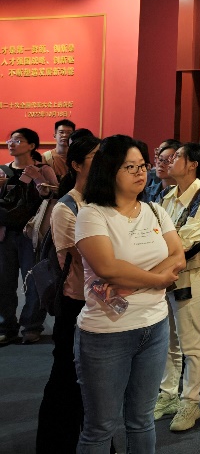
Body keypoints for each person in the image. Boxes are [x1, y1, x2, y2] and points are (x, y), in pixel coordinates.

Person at [73, 134, 185, 453]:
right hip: (107, 333)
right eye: (130, 167)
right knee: (100, 427)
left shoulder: (155, 210)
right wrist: (158, 278)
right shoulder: (93, 214)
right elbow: (108, 267)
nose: (140, 172)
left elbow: (178, 255)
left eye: (142, 165)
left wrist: (134, 284)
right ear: (109, 170)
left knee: (142, 420)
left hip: (154, 326)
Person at [35, 134, 100, 454]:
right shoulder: (67, 206)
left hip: (98, 303)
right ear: (76, 165)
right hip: (75, 303)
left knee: (93, 383)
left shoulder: (100, 201)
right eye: (95, 157)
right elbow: (87, 261)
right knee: (66, 379)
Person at [153, 143, 200, 432]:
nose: (170, 160)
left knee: (191, 343)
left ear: (193, 164)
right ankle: (168, 395)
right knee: (168, 340)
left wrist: (155, 247)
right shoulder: (167, 195)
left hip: (189, 276)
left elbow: (189, 239)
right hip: (164, 275)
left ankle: (191, 401)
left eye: (178, 156)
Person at [0, 127, 59, 345]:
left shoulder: (43, 169)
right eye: (10, 140)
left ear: (31, 146)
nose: (11, 144)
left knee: (33, 281)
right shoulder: (3, 170)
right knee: (3, 282)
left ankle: (31, 326)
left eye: (17, 140)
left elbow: (56, 196)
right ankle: (6, 326)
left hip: (32, 234)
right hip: (5, 233)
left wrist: (37, 180)